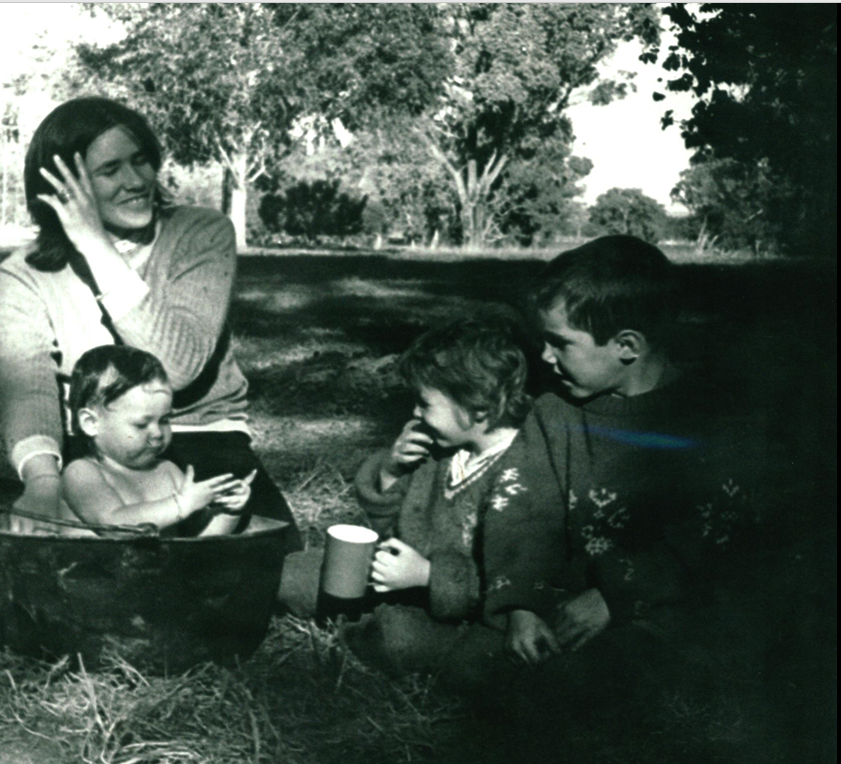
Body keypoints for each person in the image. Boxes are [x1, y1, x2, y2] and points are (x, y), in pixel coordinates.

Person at [0, 97, 298, 548]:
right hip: (98, 450)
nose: (136, 181)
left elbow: (178, 364)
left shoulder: (201, 233)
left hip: (200, 436)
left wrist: (96, 246)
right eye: (110, 170)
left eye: (141, 161)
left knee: (264, 574)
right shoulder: (23, 274)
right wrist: (41, 483)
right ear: (60, 187)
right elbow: (27, 387)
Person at [481, 235, 758, 666]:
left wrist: (619, 595)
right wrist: (521, 604)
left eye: (560, 342)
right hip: (565, 605)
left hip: (661, 606)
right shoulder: (553, 414)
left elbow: (714, 538)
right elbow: (522, 511)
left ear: (627, 346)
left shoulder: (709, 420)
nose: (545, 356)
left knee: (632, 666)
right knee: (509, 657)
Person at [279, 314, 554, 676]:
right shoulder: (442, 451)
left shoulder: (523, 474)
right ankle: (361, 620)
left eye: (425, 404)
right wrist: (392, 471)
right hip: (402, 581)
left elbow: (511, 581)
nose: (415, 413)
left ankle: (365, 629)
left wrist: (428, 576)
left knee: (400, 636)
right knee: (295, 571)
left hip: (463, 608)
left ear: (479, 408)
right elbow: (392, 529)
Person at [60, 345, 255, 536]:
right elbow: (114, 526)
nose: (157, 434)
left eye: (164, 420)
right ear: (91, 423)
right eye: (141, 425)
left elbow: (199, 541)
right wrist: (181, 504)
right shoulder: (82, 473)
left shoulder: (168, 471)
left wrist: (229, 512)